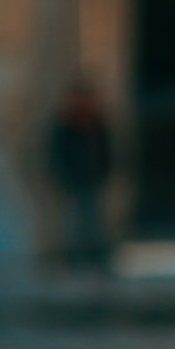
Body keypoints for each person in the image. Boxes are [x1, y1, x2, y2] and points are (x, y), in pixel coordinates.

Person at [46, 80, 115, 269]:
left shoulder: (96, 123)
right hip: (74, 178)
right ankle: (74, 256)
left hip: (92, 176)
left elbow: (104, 149)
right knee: (73, 219)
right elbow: (57, 153)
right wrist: (60, 173)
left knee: (94, 218)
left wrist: (105, 170)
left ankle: (96, 254)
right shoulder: (65, 126)